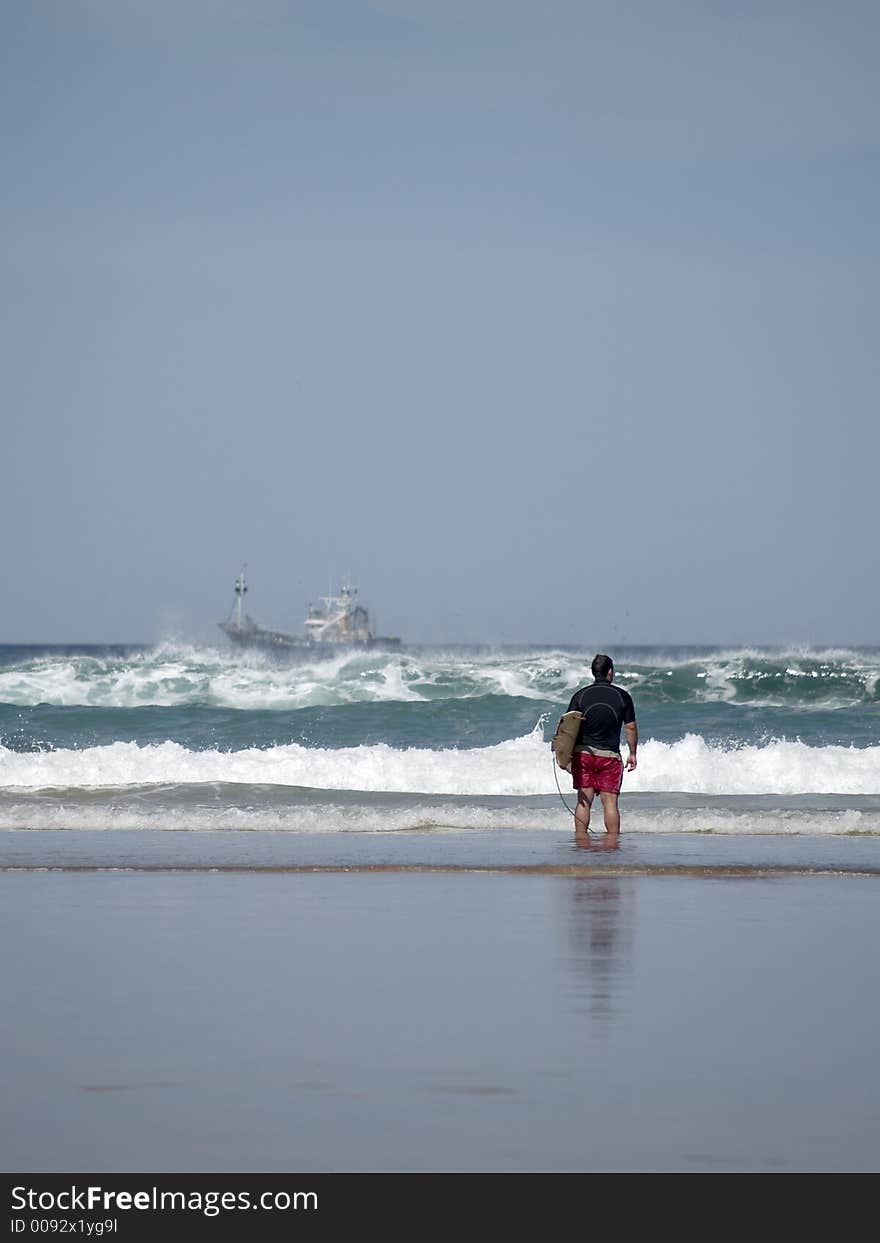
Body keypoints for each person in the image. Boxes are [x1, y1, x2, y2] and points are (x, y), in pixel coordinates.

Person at [566, 654, 637, 849]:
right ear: (610, 672)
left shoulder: (580, 695)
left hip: (583, 755)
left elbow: (568, 726)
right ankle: (612, 845)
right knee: (610, 804)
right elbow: (630, 728)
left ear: (593, 672)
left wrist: (565, 755)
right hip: (609, 758)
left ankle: (581, 844)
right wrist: (632, 753)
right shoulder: (622, 696)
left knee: (583, 802)